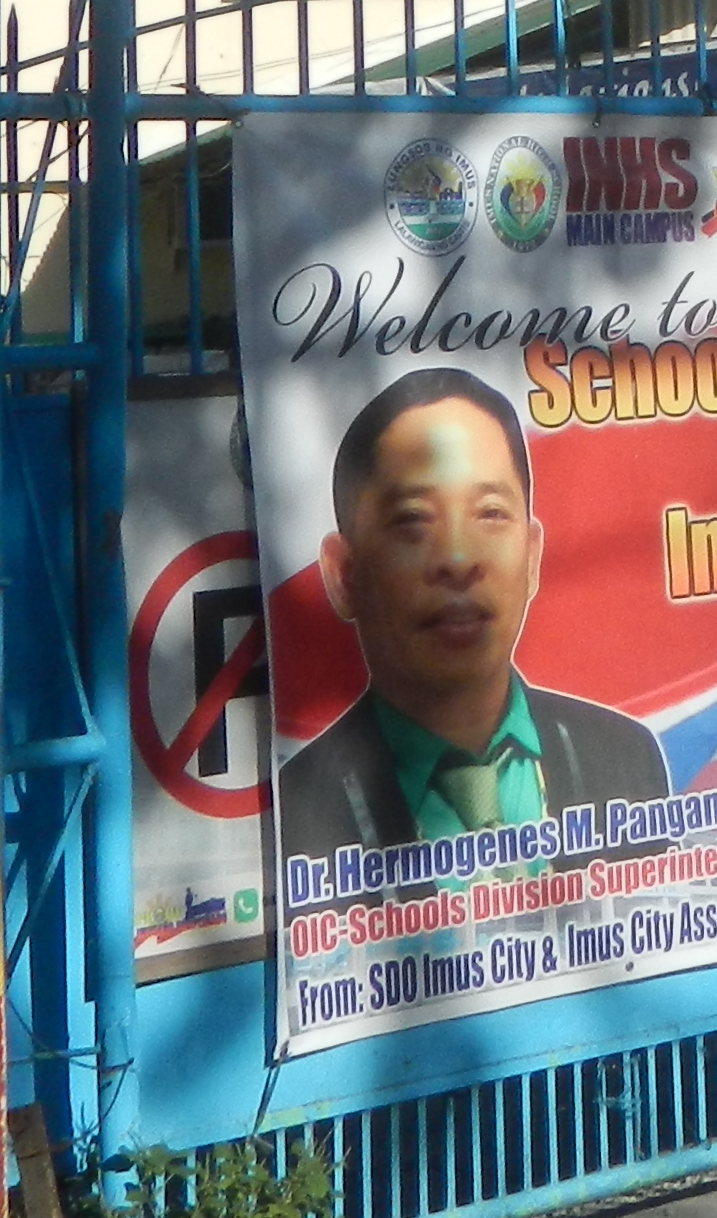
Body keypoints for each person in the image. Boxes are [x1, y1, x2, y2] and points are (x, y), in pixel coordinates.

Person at [273, 364, 668, 860]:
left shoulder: (624, 756)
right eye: (413, 520)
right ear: (343, 574)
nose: (458, 560)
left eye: (491, 514)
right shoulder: (294, 807)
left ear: (532, 557)